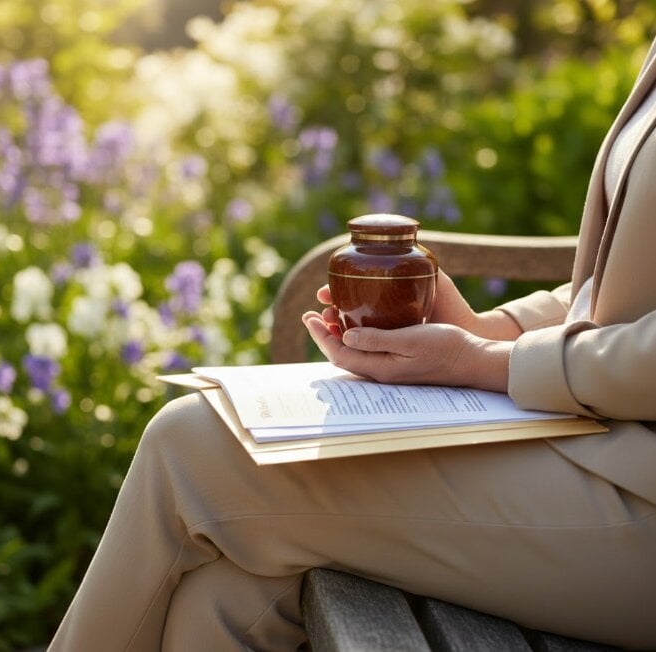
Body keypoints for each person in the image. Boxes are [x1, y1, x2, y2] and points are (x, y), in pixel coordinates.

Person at [48, 38, 656, 652]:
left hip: (636, 486)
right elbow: (626, 292)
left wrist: (487, 364)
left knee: (191, 443)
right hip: (606, 443)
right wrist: (495, 331)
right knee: (226, 604)